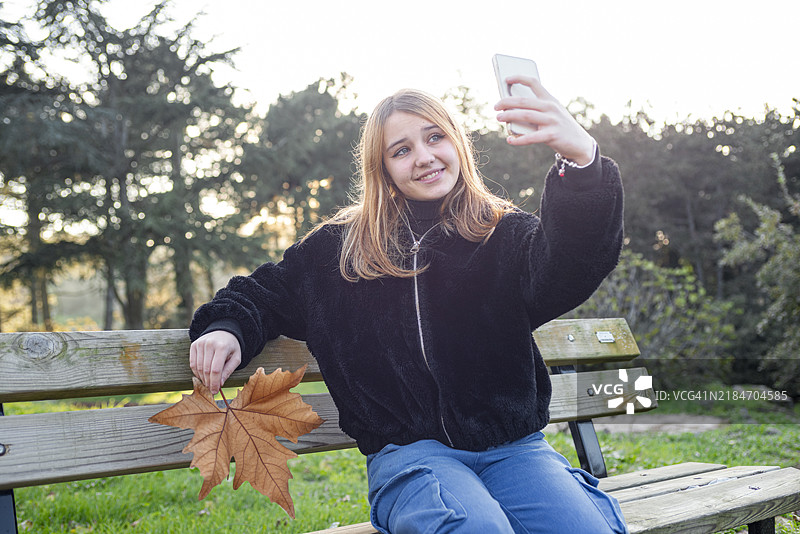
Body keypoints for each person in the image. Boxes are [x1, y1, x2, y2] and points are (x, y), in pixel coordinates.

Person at [188, 74, 628, 533]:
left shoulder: (503, 234)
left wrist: (581, 162)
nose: (424, 157)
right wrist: (227, 326)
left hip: (515, 449)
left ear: (457, 144)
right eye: (401, 150)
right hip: (411, 457)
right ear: (382, 168)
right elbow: (264, 293)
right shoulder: (338, 251)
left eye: (435, 137)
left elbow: (569, 266)